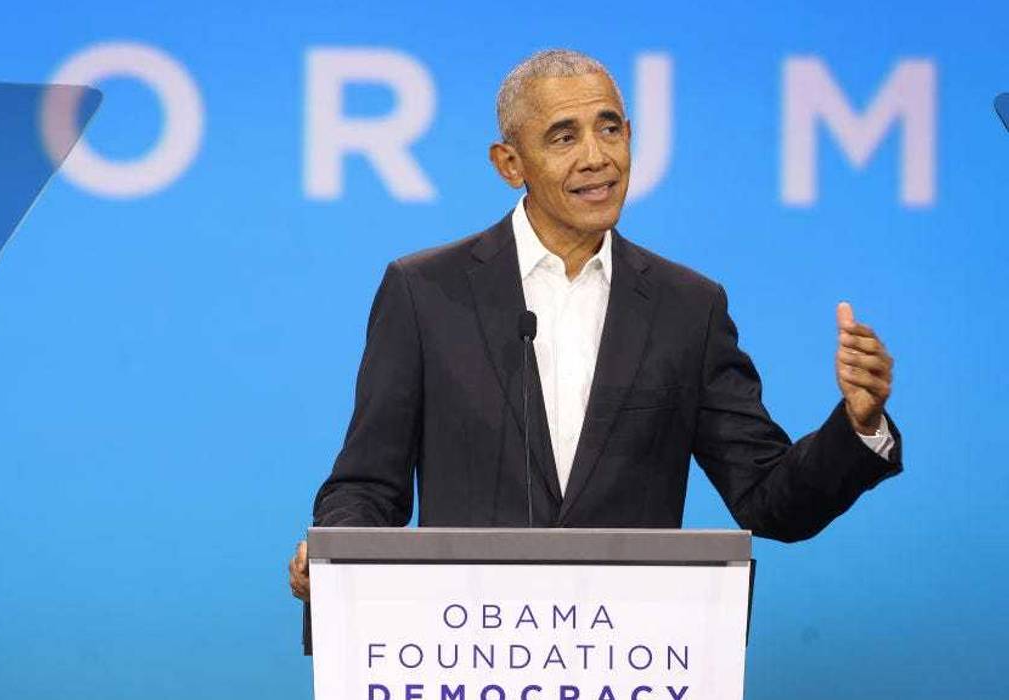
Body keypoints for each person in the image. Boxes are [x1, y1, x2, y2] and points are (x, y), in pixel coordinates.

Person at [288, 49, 900, 601]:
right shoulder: (426, 292)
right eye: (563, 136)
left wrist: (858, 424)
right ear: (510, 162)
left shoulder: (687, 306)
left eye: (610, 128)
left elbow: (770, 502)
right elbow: (368, 483)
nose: (597, 156)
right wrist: (337, 552)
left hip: (632, 656)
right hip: (466, 647)